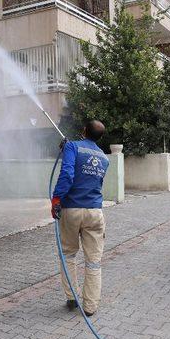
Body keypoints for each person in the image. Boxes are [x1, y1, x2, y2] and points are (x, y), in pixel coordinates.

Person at [51, 120, 109, 317]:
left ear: (84, 131)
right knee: (93, 261)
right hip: (95, 212)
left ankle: (72, 297)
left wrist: (56, 199)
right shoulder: (104, 157)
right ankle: (90, 306)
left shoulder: (73, 147)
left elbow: (67, 174)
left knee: (68, 254)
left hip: (71, 210)